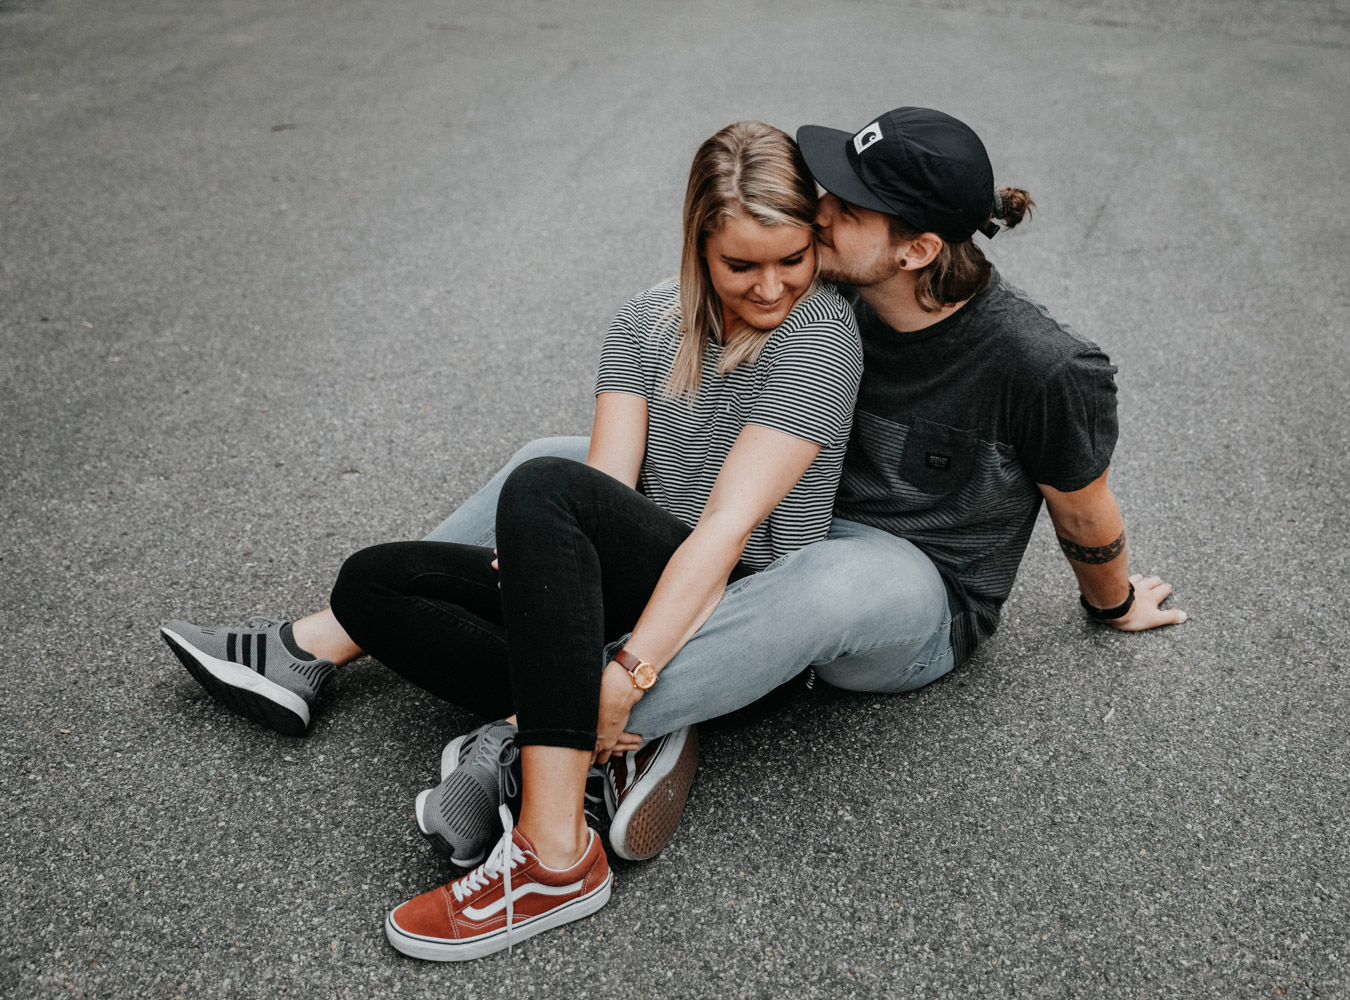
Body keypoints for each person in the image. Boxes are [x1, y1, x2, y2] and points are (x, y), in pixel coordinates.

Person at [165, 105, 1187, 954]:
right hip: (777, 520)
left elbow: (1083, 508)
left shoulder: (1039, 363)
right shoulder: (828, 281)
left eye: (843, 207)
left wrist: (1112, 603)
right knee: (549, 459)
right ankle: (320, 648)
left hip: (907, 589)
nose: (818, 212)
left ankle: (543, 751)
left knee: (828, 580)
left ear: (918, 249)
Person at [162, 120, 863, 958]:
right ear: (697, 248)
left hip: (736, 620)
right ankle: (602, 742)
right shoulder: (644, 323)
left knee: (543, 484)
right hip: (636, 598)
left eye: (792, 259)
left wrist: (628, 674)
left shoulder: (821, 332)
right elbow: (608, 493)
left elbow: (724, 530)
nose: (772, 287)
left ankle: (553, 851)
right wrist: (543, 584)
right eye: (741, 265)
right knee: (371, 583)